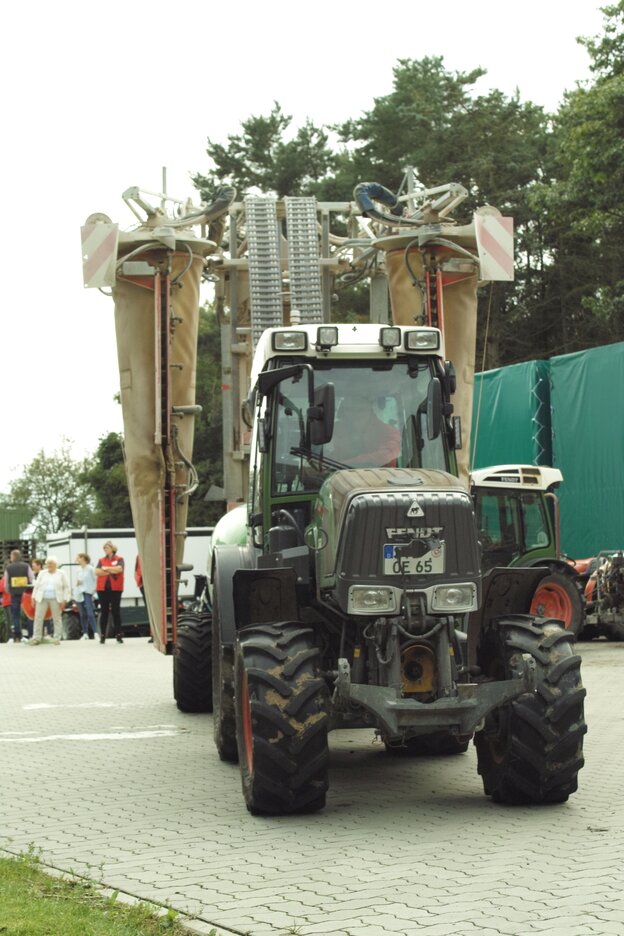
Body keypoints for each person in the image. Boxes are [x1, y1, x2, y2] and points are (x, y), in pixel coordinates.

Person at [331, 395, 401, 468]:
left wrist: (339, 465)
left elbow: (382, 457)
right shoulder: (338, 429)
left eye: (360, 409)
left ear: (369, 409)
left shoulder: (389, 432)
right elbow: (337, 454)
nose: (354, 414)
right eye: (349, 409)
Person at [31, 556, 71, 645]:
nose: (49, 565)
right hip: (42, 598)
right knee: (38, 617)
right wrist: (33, 598)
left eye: (51, 563)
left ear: (56, 564)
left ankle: (57, 638)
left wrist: (65, 599)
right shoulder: (42, 573)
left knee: (57, 618)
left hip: (56, 599)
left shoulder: (61, 574)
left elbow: (66, 587)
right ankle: (36, 637)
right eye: (48, 563)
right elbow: (36, 586)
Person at [96, 541, 125, 644]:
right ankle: (103, 635)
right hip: (102, 589)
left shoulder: (119, 559)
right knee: (104, 612)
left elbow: (119, 570)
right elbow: (97, 572)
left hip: (115, 589)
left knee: (116, 611)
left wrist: (107, 568)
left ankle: (118, 634)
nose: (105, 549)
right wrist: (111, 570)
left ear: (112, 549)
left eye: (107, 548)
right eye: (104, 548)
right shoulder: (101, 560)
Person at [3, 549, 34, 644]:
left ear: (13, 557)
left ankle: (18, 635)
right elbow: (32, 578)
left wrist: (9, 591)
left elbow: (6, 583)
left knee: (15, 615)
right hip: (26, 593)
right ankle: (31, 634)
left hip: (14, 593)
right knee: (28, 614)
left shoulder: (8, 568)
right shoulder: (26, 566)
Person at [75, 552, 98, 640]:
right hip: (79, 592)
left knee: (90, 612)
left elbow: (96, 580)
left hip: (88, 592)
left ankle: (95, 632)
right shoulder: (78, 569)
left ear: (83, 558)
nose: (77, 559)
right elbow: (78, 581)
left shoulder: (91, 569)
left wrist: (94, 591)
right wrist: (78, 583)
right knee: (82, 614)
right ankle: (85, 633)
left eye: (78, 558)